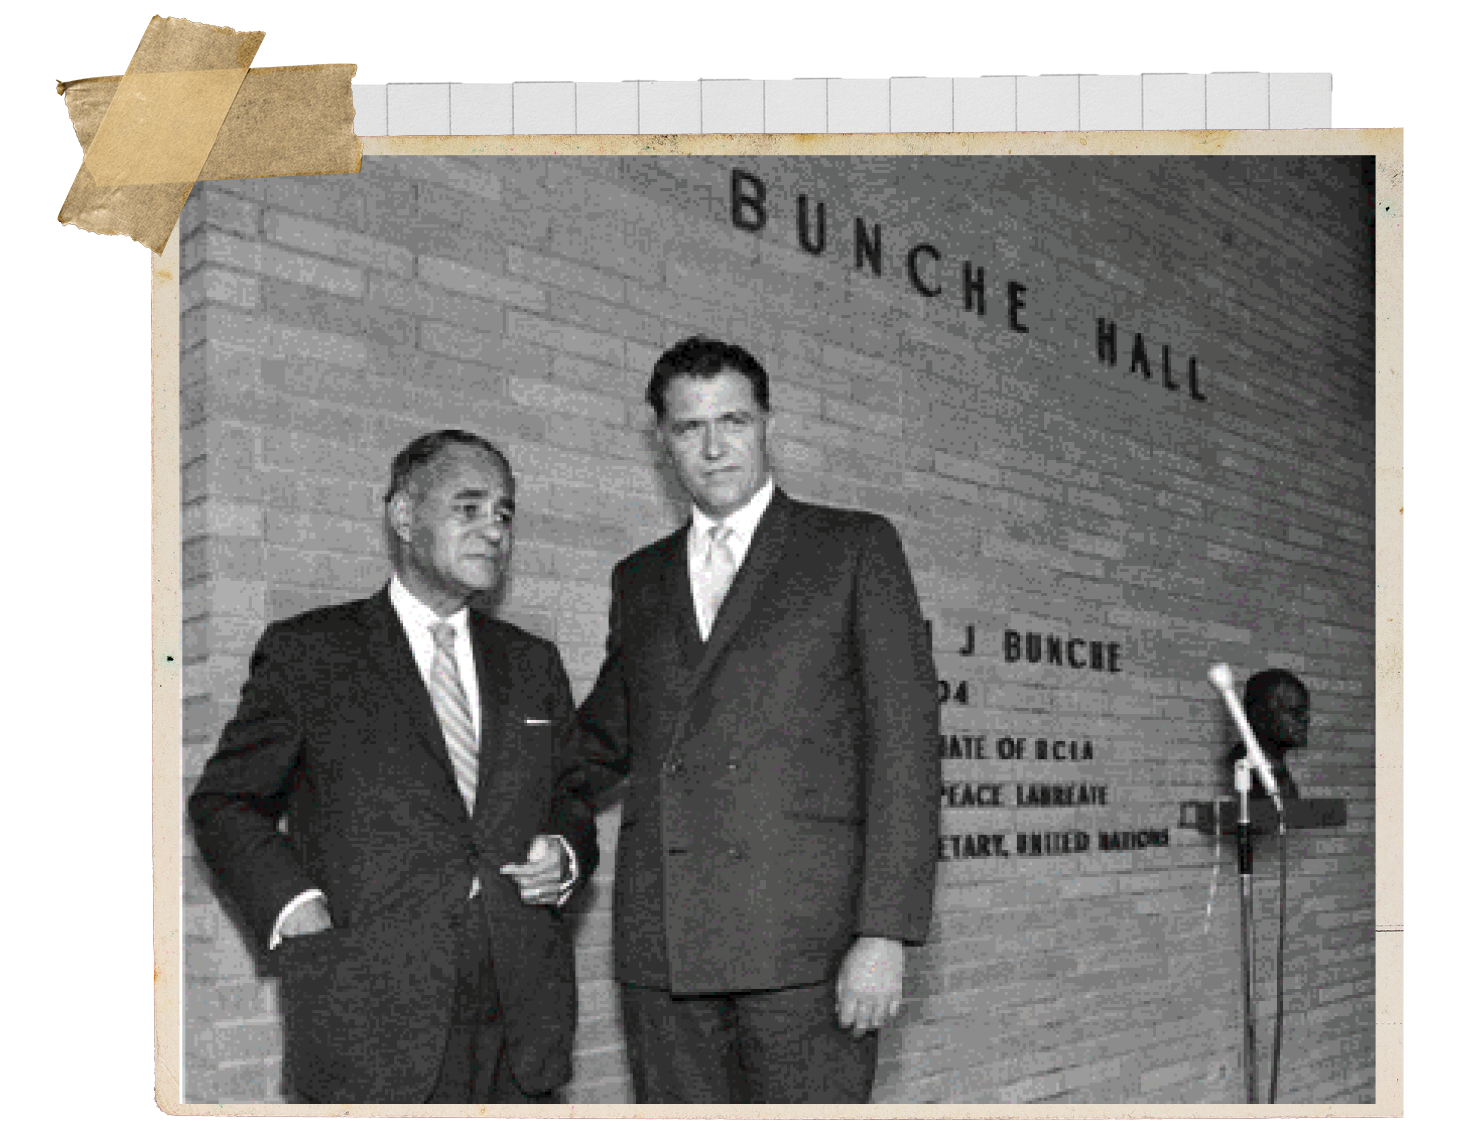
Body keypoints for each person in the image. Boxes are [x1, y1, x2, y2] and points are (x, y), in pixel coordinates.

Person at [569, 335, 940, 1103]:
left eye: (732, 421)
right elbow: (605, 739)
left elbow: (905, 751)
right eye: (687, 428)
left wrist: (885, 933)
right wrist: (480, 762)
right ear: (663, 442)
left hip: (808, 951)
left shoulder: (852, 548)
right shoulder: (638, 579)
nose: (712, 447)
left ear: (767, 423)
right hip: (666, 951)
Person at [189, 430, 598, 1104]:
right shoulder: (310, 654)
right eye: (468, 508)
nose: (493, 530)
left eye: (503, 513)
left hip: (520, 1019)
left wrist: (564, 851)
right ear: (405, 518)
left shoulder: (534, 663)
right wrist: (294, 906)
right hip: (370, 1014)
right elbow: (225, 802)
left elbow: (571, 796)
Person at [1226, 668, 1310, 801]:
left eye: (1305, 712)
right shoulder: (1243, 769)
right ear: (1259, 716)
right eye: (1294, 711)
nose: (1305, 719)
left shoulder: (1276, 769)